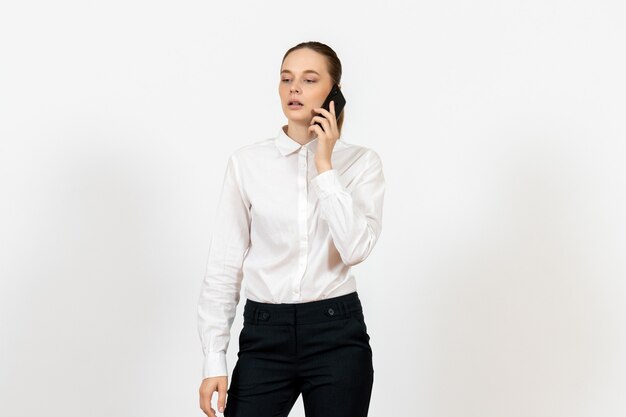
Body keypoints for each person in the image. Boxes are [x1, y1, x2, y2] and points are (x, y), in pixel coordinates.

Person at [197, 41, 385, 417]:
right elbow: (225, 264)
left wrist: (325, 166)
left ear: (334, 94)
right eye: (286, 79)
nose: (294, 88)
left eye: (308, 79)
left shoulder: (361, 164)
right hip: (265, 334)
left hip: (337, 334)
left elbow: (355, 249)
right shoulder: (247, 163)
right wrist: (214, 359)